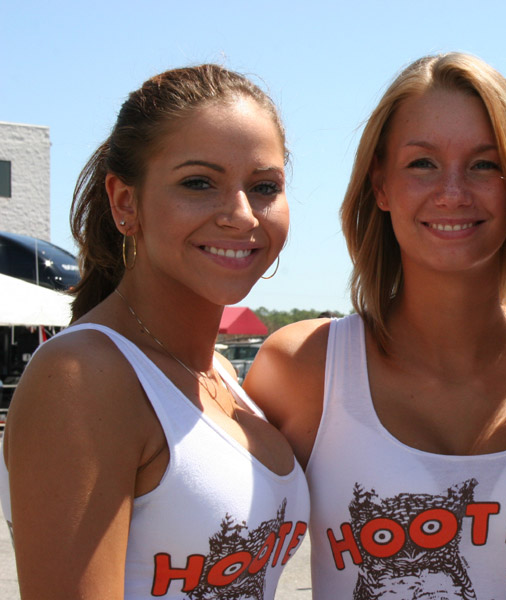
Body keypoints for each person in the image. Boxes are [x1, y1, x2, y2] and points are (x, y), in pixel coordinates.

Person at [244, 53, 506, 599]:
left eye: (485, 164)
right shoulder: (301, 368)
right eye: (423, 163)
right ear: (381, 185)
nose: (452, 191)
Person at [0, 65, 310, 599]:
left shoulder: (218, 374)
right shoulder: (82, 378)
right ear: (126, 202)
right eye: (198, 183)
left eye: (264, 187)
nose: (241, 215)